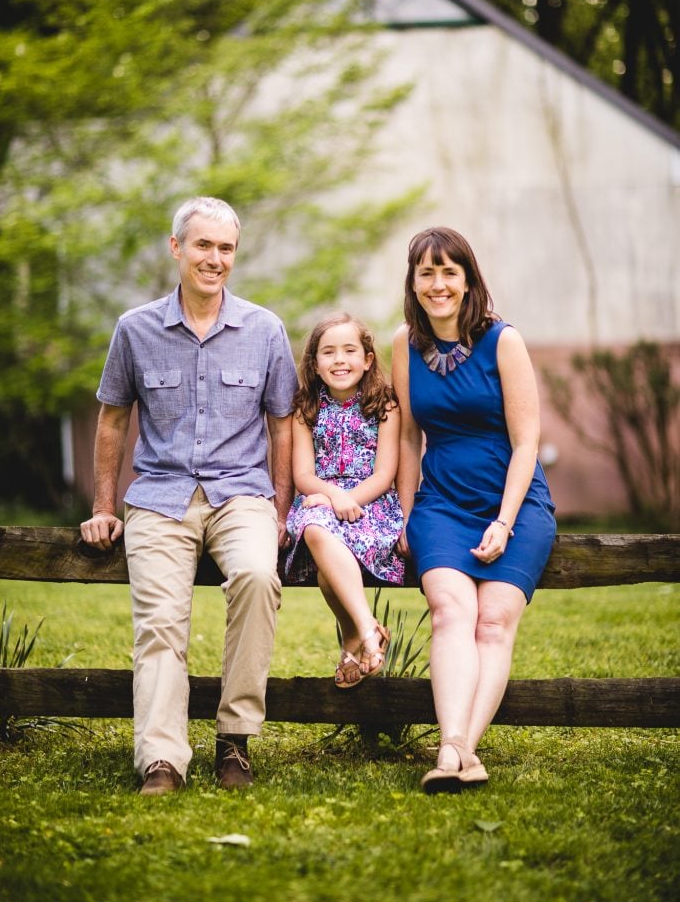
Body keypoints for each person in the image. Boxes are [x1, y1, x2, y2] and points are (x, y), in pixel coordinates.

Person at [80, 196, 298, 796]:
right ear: (176, 248)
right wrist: (104, 505)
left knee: (258, 575)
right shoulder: (136, 329)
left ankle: (235, 739)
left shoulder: (264, 329)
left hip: (242, 495)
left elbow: (283, 423)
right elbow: (111, 420)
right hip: (159, 497)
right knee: (159, 622)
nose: (215, 258)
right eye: (203, 245)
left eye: (225, 248)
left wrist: (280, 511)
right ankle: (162, 759)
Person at [392, 227, 556, 793]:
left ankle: (457, 748)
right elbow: (409, 440)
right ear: (413, 283)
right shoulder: (404, 344)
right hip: (440, 504)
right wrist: (409, 515)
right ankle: (459, 751)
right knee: (450, 613)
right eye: (426, 273)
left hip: (514, 501)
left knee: (493, 621)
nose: (438, 284)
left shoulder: (503, 340)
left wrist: (505, 521)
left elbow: (527, 441)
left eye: (449, 272)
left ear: (467, 280)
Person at [285, 313, 404, 688]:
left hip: (372, 505)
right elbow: (303, 475)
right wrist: (334, 497)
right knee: (316, 529)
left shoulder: (385, 404)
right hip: (321, 500)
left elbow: (385, 475)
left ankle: (354, 635)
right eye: (329, 352)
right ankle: (369, 630)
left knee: (325, 572)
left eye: (350, 350)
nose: (340, 360)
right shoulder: (305, 408)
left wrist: (349, 500)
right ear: (315, 365)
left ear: (368, 359)